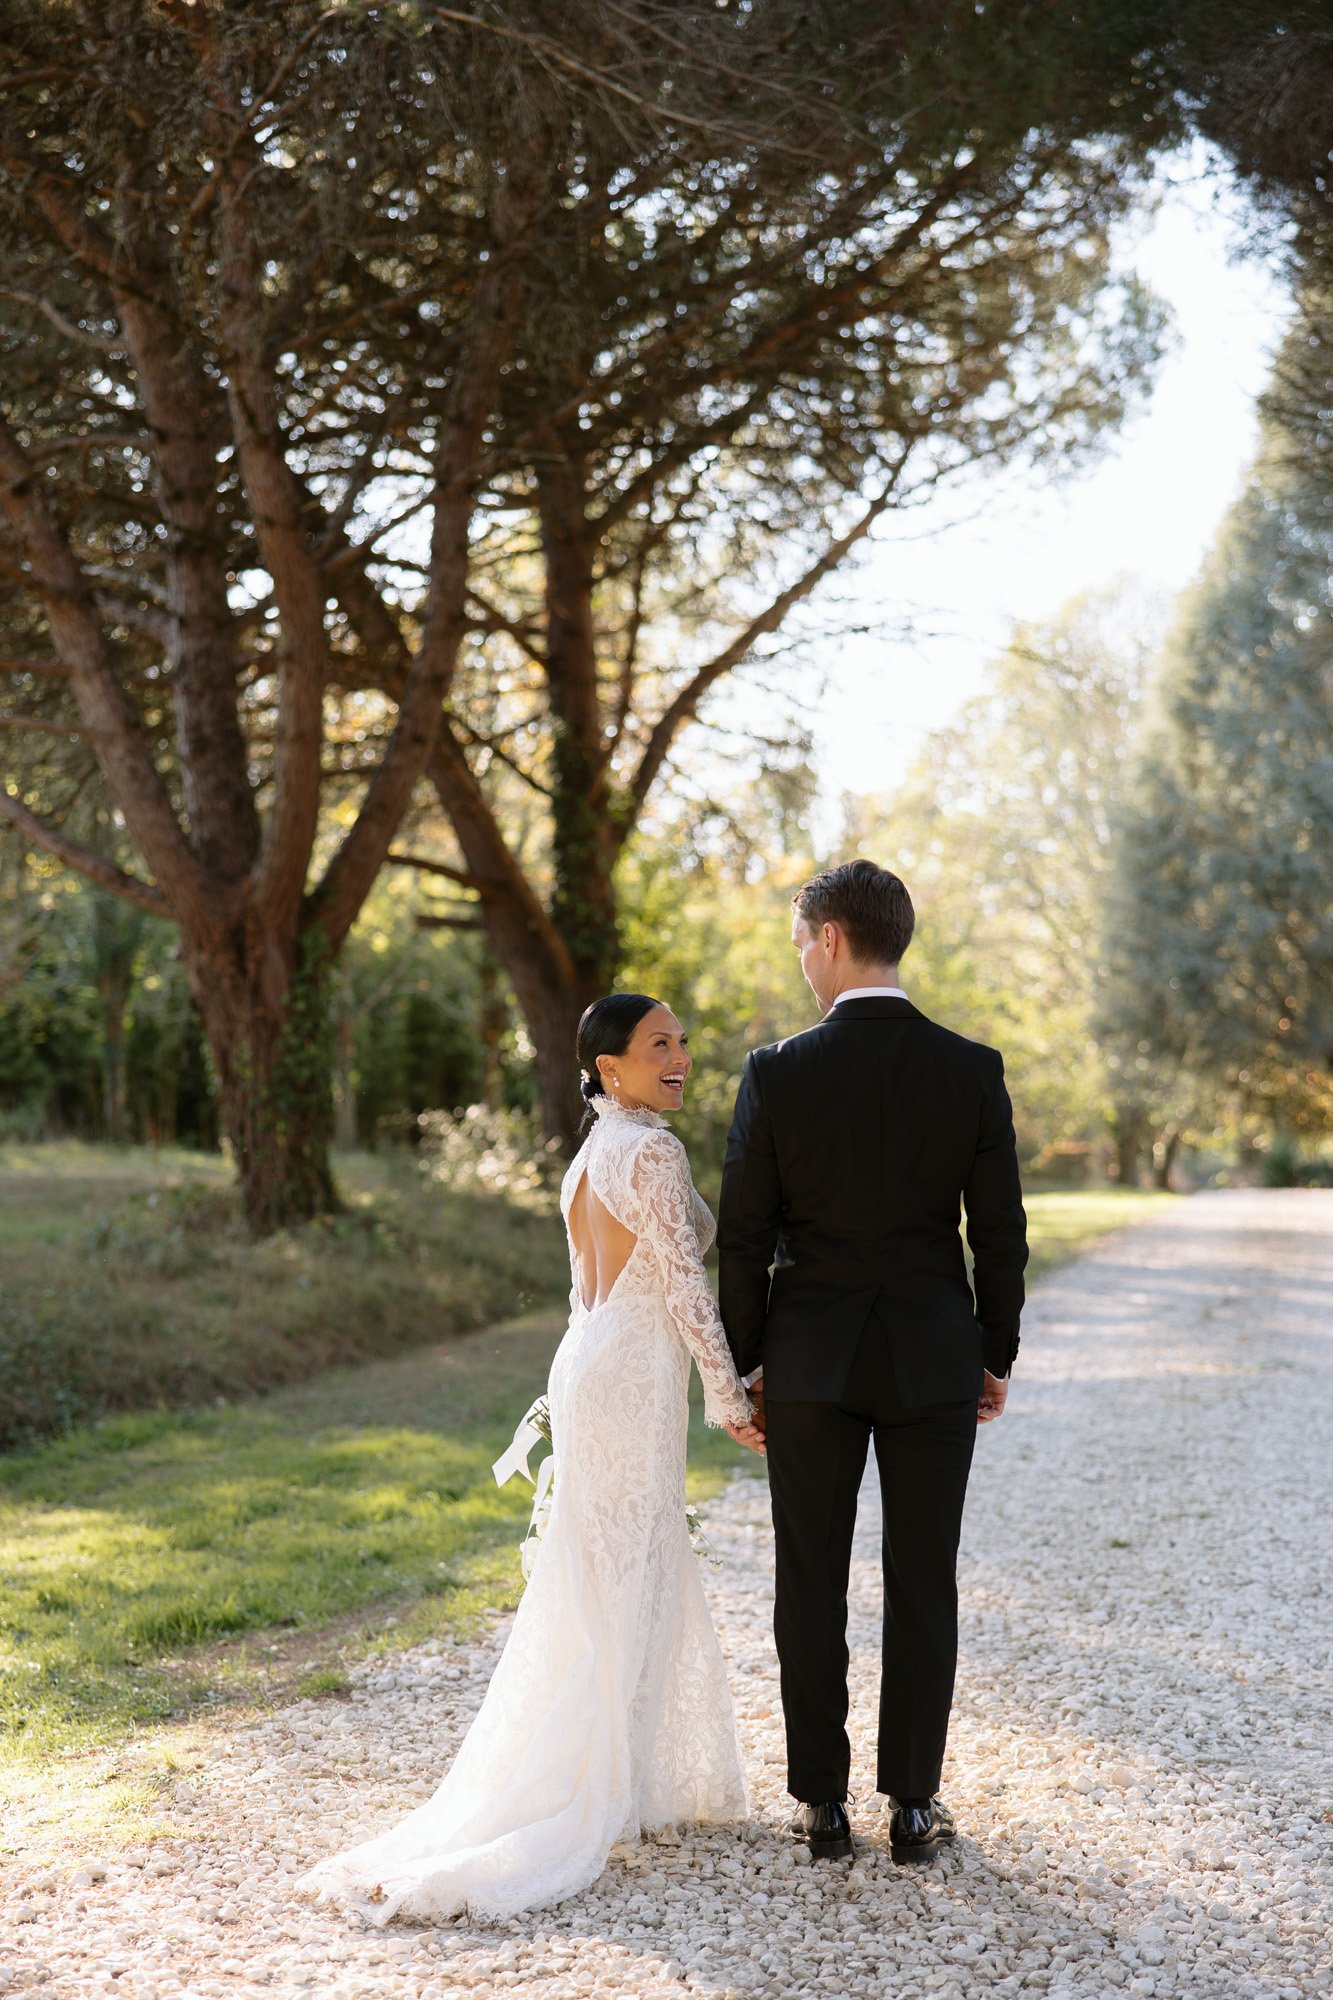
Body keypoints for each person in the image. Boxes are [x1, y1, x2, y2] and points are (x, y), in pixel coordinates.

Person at [298, 994, 763, 1924]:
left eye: (680, 1044)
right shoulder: (654, 1153)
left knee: (600, 1564)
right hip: (630, 1370)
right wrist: (729, 1393)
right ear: (608, 1069)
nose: (678, 1058)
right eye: (656, 1046)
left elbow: (587, 1285)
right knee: (627, 1561)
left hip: (588, 1360)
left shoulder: (590, 1157)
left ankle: (623, 1775)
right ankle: (594, 1787)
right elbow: (682, 1286)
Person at [717, 859, 1027, 1865]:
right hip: (935, 1351)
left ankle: (818, 1804)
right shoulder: (969, 1067)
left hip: (810, 1359)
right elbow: (1001, 1231)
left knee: (808, 1578)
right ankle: (910, 1803)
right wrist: (994, 1349)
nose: (801, 960)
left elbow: (742, 1236)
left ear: (833, 939)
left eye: (802, 941)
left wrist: (748, 1361)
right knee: (921, 1577)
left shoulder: (776, 1070)